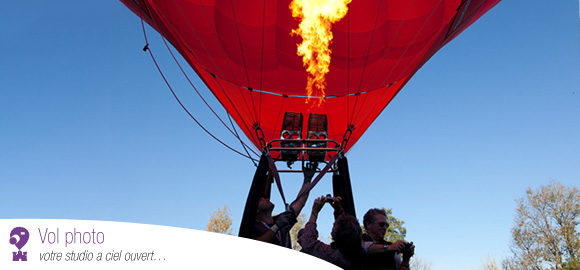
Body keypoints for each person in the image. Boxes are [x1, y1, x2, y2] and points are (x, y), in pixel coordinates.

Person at [249, 162, 317, 248]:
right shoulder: (252, 227)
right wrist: (276, 227)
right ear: (256, 210)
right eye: (261, 200)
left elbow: (300, 203)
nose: (266, 199)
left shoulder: (280, 220)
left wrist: (307, 180)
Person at [299, 195, 365, 269]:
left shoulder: (335, 255)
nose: (333, 225)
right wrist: (338, 210)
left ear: (336, 234)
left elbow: (308, 243)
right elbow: (346, 227)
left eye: (334, 226)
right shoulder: (359, 252)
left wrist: (314, 212)